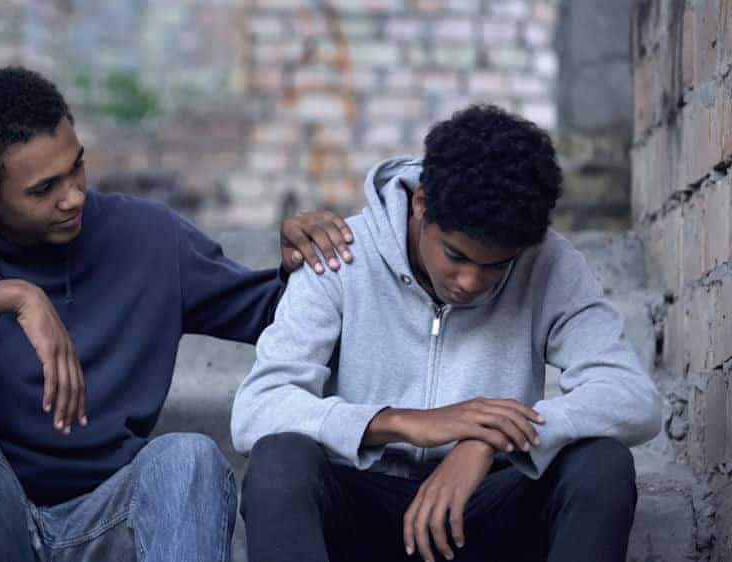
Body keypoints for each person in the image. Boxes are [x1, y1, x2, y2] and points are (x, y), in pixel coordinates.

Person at [0, 66, 354, 562]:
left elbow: (272, 316)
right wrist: (8, 295)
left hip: (107, 518)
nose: (72, 197)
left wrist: (301, 270)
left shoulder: (146, 237)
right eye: (44, 189)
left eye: (77, 169)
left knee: (189, 457)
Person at [231, 105, 662, 562]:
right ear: (421, 204)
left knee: (601, 465)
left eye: (497, 265)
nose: (471, 282)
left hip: (483, 511)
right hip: (363, 513)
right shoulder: (339, 257)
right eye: (455, 255)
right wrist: (404, 423)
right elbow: (258, 408)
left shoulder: (551, 264)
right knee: (280, 461)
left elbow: (632, 396)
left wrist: (488, 439)